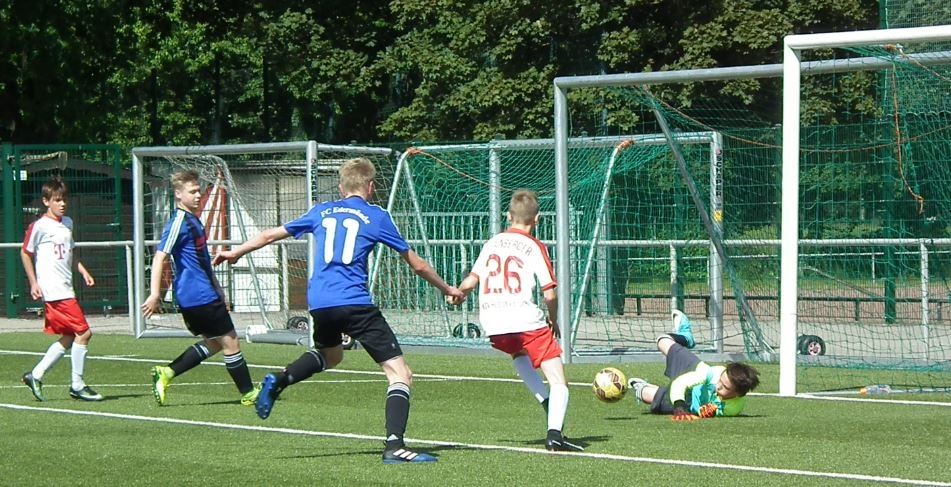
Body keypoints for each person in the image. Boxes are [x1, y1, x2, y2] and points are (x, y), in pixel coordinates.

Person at [213, 157, 463, 464]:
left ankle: (281, 379)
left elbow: (269, 236)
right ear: (371, 187)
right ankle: (394, 446)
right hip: (354, 302)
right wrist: (447, 289)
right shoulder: (376, 216)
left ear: (341, 188)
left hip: (320, 303)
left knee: (331, 356)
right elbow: (417, 265)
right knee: (400, 373)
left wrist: (236, 252)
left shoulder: (321, 211)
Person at [446, 189, 582, 452]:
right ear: (537, 219)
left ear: (508, 216)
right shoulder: (535, 246)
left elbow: (472, 280)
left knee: (519, 354)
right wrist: (553, 320)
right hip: (525, 319)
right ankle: (554, 434)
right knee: (558, 380)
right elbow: (550, 293)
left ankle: (546, 402)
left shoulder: (493, 243)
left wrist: (458, 293)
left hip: (494, 324)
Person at [141, 169, 258, 407]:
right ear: (178, 194)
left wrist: (217, 286)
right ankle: (248, 393)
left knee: (214, 342)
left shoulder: (193, 220)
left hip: (203, 293)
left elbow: (201, 260)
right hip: (198, 295)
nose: (197, 195)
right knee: (231, 342)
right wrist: (154, 294)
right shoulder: (179, 222)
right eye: (192, 191)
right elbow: (160, 256)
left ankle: (167, 373)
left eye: (198, 191)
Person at [20, 176, 103, 402]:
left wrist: (83, 271)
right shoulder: (39, 226)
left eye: (64, 199)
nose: (62, 203)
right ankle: (77, 385)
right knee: (84, 333)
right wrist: (33, 282)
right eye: (57, 200)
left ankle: (36, 374)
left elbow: (70, 252)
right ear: (46, 201)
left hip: (66, 287)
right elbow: (25, 253)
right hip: (54, 289)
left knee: (69, 336)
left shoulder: (67, 223)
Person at [627, 309, 760, 420]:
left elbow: (712, 411)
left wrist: (704, 412)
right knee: (662, 340)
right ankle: (686, 337)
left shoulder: (734, 408)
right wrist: (679, 406)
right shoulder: (712, 374)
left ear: (738, 394)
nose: (718, 386)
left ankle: (644, 386)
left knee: (643, 393)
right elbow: (681, 382)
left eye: (724, 387)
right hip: (692, 370)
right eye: (721, 380)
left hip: (688, 402)